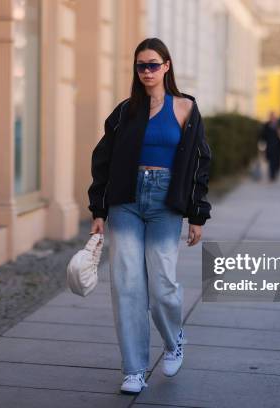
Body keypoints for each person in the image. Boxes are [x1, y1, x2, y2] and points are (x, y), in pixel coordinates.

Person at [87, 38, 212, 395]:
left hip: (164, 203)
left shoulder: (186, 108)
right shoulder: (125, 111)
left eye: (153, 65)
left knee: (163, 287)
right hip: (125, 202)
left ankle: (174, 341)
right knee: (126, 286)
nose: (147, 72)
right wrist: (98, 210)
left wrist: (197, 214)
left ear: (167, 66)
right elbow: (103, 161)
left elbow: (201, 163)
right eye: (141, 66)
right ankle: (134, 370)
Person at [259, 112, 280, 181]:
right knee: (271, 162)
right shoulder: (266, 125)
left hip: (278, 146)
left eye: (274, 117)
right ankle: (271, 176)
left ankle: (275, 172)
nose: (273, 118)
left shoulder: (278, 125)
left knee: (277, 162)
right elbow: (262, 135)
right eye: (271, 117)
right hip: (270, 146)